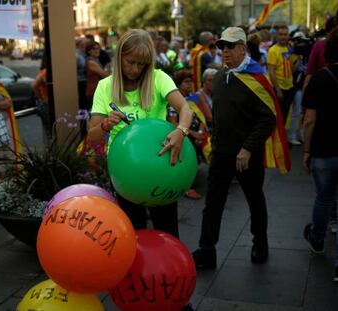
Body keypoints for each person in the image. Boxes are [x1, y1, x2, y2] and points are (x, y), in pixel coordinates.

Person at [192, 27, 290, 269]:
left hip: (246, 156)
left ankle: (260, 243)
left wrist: (247, 148)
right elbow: (218, 113)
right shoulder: (219, 76)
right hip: (221, 153)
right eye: (221, 46)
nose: (224, 51)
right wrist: (214, 141)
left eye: (230, 46)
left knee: (254, 200)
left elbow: (268, 118)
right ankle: (207, 250)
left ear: (242, 48)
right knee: (212, 203)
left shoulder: (257, 79)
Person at [87, 29, 192, 240]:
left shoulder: (158, 78)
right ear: (119, 58)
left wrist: (181, 131)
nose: (135, 69)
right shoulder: (105, 87)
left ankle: (171, 272)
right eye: (130, 62)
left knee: (167, 232)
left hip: (161, 167)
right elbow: (92, 137)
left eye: (141, 64)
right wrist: (106, 124)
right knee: (133, 235)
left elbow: (185, 109)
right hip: (126, 172)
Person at [302, 26, 338, 282]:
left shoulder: (321, 78)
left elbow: (310, 120)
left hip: (324, 150)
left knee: (323, 198)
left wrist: (306, 150)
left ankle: (317, 238)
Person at [168, 69, 208, 200]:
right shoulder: (174, 102)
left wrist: (200, 132)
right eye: (186, 82)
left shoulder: (193, 98)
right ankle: (186, 186)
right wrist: (192, 134)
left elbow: (202, 118)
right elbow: (173, 124)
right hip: (184, 134)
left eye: (191, 82)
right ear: (178, 85)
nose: (189, 85)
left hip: (199, 132)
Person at [267, 25, 294, 124]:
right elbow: (271, 72)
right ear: (276, 36)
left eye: (285, 34)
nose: (283, 37)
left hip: (289, 87)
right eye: (280, 34)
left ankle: (282, 138)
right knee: (278, 117)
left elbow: (290, 68)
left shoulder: (288, 48)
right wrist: (278, 90)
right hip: (279, 89)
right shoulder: (273, 50)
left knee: (285, 116)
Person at [85, 41, 109, 110]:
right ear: (89, 51)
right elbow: (105, 75)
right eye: (94, 49)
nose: (97, 50)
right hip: (93, 92)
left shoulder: (96, 60)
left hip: (96, 90)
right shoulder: (91, 62)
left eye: (98, 48)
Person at [32, 55, 51, 140]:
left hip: (46, 103)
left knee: (48, 130)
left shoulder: (44, 71)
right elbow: (34, 85)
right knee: (49, 131)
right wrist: (42, 98)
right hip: (46, 104)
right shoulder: (46, 71)